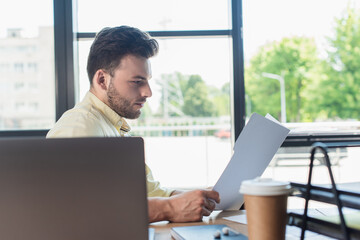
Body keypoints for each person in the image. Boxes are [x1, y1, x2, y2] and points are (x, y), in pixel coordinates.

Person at [46, 25, 220, 223]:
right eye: (137, 81)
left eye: (147, 81)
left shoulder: (112, 125)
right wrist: (169, 208)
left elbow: (149, 192)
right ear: (102, 79)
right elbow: (69, 207)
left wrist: (201, 198)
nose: (148, 92)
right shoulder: (81, 125)